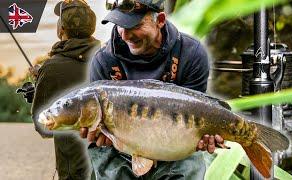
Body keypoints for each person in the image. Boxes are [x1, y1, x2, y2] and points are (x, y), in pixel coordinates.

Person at [80, 0, 225, 179]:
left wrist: (203, 136)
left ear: (160, 20)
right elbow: (100, 131)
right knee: (102, 154)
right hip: (121, 150)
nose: (125, 35)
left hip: (173, 147)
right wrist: (103, 135)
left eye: (134, 25)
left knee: (192, 162)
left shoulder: (191, 54)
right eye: (119, 25)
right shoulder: (103, 61)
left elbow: (197, 116)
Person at [30, 1, 100, 179]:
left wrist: (43, 82)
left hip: (73, 171)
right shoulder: (107, 58)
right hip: (107, 168)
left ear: (61, 28)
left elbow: (43, 127)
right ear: (91, 26)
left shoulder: (52, 68)